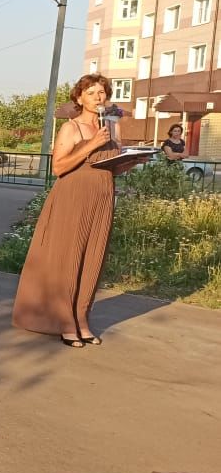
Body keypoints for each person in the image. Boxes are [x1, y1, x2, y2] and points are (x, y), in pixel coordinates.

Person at [12, 74, 149, 347]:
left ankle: (82, 319)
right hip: (72, 197)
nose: (98, 97)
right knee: (69, 258)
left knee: (93, 258)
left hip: (102, 196)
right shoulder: (71, 128)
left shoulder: (112, 127)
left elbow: (111, 166)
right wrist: (92, 145)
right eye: (91, 93)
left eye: (102, 92)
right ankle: (66, 322)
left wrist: (132, 161)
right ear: (79, 98)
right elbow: (59, 168)